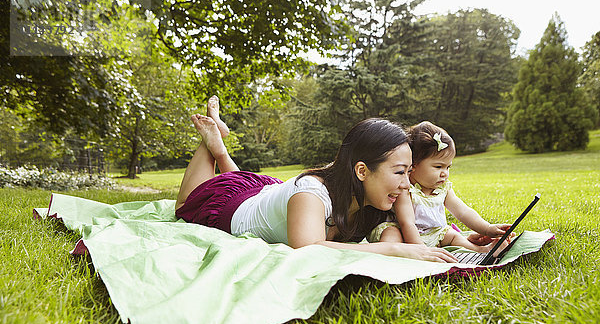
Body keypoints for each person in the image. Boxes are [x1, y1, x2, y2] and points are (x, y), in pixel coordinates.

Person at [175, 96, 458, 262]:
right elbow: (307, 246)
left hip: (267, 195)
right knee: (185, 205)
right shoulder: (311, 193)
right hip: (232, 208)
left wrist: (466, 242)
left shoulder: (372, 198)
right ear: (361, 171)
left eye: (409, 172)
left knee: (247, 186)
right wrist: (397, 251)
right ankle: (212, 141)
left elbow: (419, 228)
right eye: (399, 172)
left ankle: (221, 150)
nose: (407, 184)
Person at [370, 121, 512, 252]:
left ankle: (481, 251)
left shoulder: (443, 190)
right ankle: (386, 255)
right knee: (392, 234)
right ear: (413, 164)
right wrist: (421, 251)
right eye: (438, 166)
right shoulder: (406, 190)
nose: (444, 173)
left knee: (451, 234)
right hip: (405, 233)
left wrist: (487, 229)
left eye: (448, 167)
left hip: (433, 234)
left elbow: (463, 212)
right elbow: (407, 223)